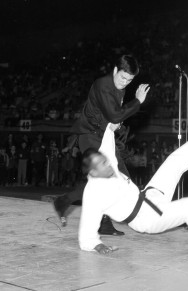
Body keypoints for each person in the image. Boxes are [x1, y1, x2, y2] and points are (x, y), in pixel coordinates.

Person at [78, 118, 188, 254]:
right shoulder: (93, 193)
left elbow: (107, 143)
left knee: (174, 161)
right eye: (103, 164)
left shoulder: (104, 163)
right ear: (93, 172)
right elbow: (88, 223)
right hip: (145, 219)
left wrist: (111, 127)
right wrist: (96, 245)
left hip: (147, 197)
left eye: (106, 160)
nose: (109, 163)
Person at [53, 55, 150, 235]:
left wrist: (117, 123)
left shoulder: (119, 88)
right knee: (103, 178)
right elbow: (115, 115)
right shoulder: (103, 85)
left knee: (121, 178)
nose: (124, 83)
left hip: (105, 137)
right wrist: (137, 101)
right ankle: (67, 202)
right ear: (115, 70)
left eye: (129, 80)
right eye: (122, 77)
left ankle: (71, 204)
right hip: (89, 135)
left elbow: (114, 116)